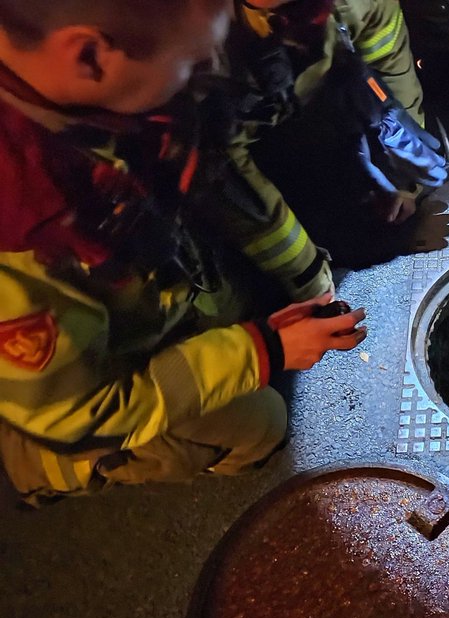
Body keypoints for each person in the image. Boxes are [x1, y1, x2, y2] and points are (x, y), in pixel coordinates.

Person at [0, 0, 367, 507]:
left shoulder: (80, 92)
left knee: (232, 312)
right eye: (192, 64)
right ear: (88, 56)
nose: (212, 72)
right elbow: (81, 415)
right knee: (265, 427)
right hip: (75, 401)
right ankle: (43, 470)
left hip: (138, 284)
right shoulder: (22, 236)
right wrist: (263, 350)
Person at [221, 0, 446, 272]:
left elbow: (393, 67)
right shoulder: (205, 44)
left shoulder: (357, 5)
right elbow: (234, 176)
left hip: (341, 111)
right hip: (277, 151)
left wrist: (405, 184)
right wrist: (308, 275)